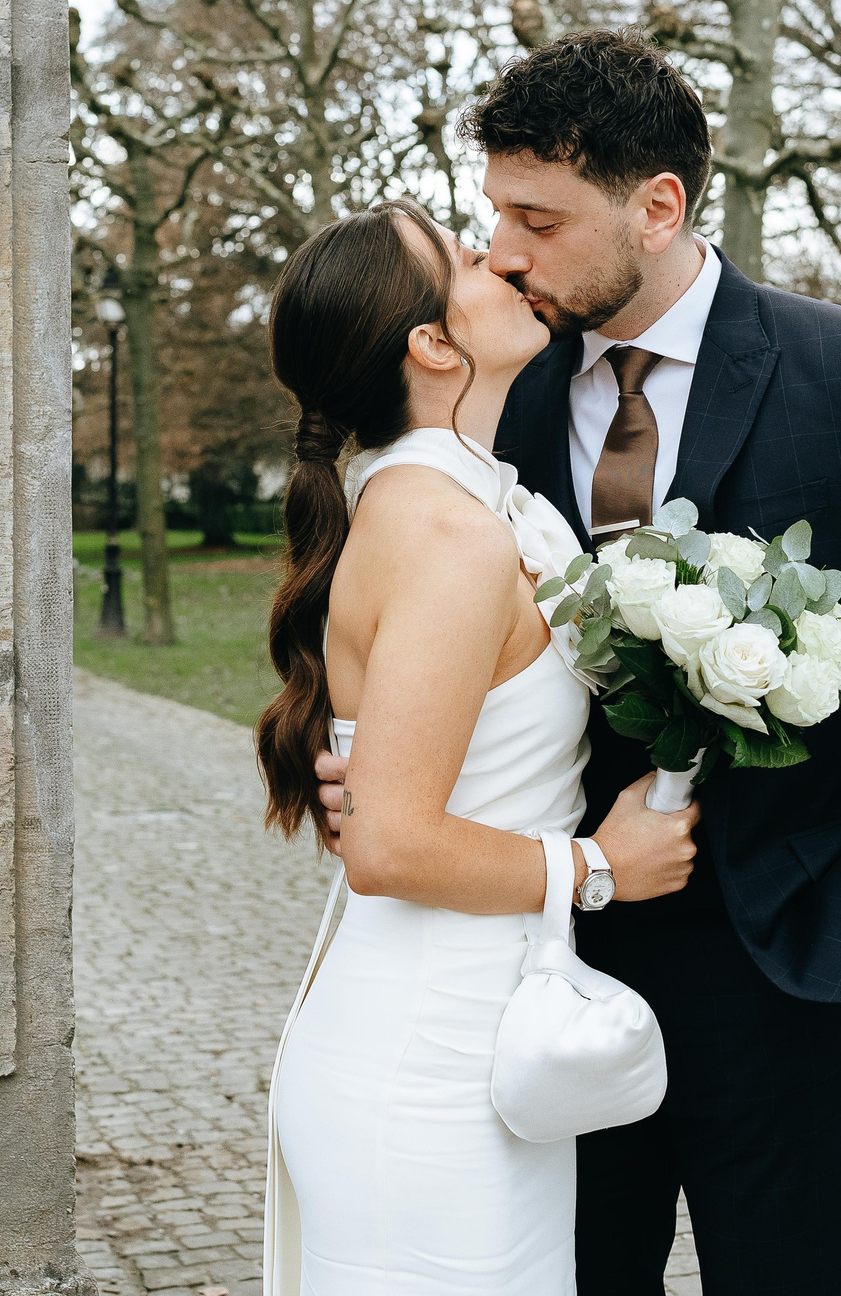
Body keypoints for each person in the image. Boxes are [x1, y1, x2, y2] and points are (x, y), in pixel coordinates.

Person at [315, 32, 841, 1293]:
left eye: (537, 219)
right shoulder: (502, 393)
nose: (503, 252)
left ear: (659, 207)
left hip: (789, 968)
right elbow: (397, 617)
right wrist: (368, 776)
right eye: (494, 215)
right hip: (543, 962)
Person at [256, 198, 703, 1296]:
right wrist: (601, 869)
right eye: (462, 255)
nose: (497, 256)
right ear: (432, 343)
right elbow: (388, 847)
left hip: (486, 1050)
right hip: (422, 1068)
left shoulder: (464, 502)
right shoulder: (444, 530)